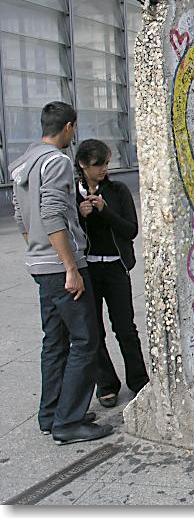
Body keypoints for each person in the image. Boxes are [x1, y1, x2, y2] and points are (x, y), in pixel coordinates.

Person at [11, 102, 113, 444]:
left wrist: (39, 251)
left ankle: (52, 414)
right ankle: (68, 422)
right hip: (61, 266)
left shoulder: (24, 162)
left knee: (54, 341)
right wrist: (70, 266)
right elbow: (53, 214)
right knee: (85, 340)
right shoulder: (56, 162)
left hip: (41, 264)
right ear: (69, 126)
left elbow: (22, 218)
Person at [75, 139, 149, 409]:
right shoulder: (73, 193)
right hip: (88, 269)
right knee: (94, 330)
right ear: (83, 165)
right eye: (98, 164)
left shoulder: (118, 191)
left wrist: (105, 210)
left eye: (106, 163)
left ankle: (139, 380)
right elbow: (66, 232)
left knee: (125, 327)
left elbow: (130, 229)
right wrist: (80, 216)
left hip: (116, 267)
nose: (104, 169)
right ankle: (106, 385)